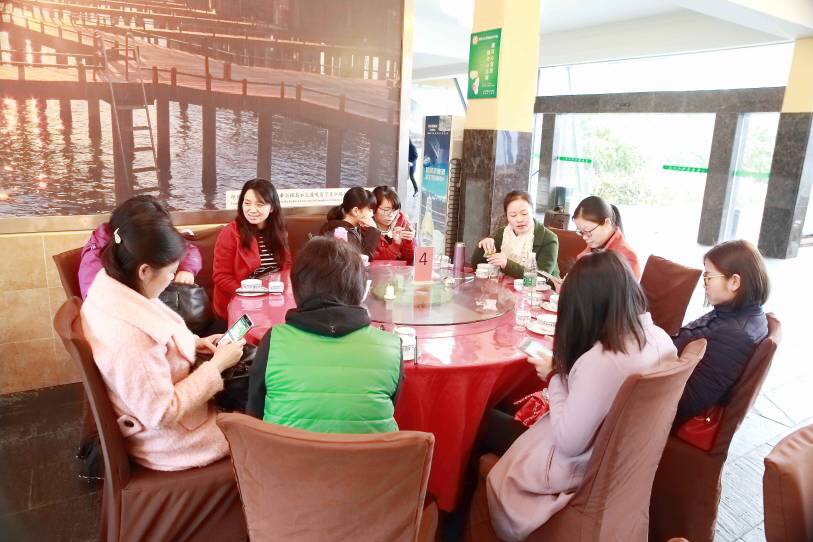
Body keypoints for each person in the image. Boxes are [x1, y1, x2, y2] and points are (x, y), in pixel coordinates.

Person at [484, 251, 677, 541]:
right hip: (625, 464)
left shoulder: (603, 361)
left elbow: (569, 443)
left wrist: (555, 377)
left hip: (578, 471)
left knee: (483, 421)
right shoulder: (662, 340)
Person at [81, 211, 245, 471]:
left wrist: (195, 342)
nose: (172, 279)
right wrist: (216, 366)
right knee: (264, 417)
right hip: (173, 441)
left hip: (171, 421)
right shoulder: (130, 337)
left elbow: (160, 338)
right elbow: (160, 413)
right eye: (171, 272)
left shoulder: (114, 288)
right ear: (145, 270)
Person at [246, 236, 402, 433]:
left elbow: (254, 412)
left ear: (298, 288)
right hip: (369, 453)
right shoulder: (390, 347)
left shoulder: (274, 340)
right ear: (360, 289)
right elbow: (386, 407)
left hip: (285, 452)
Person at [673, 240, 769, 424]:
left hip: (663, 407)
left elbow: (689, 401)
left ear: (734, 281)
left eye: (708, 277)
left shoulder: (735, 335)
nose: (704, 284)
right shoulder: (734, 310)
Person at [78, 195, 202, 299]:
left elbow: (186, 249)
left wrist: (187, 269)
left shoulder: (144, 239)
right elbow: (95, 301)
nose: (172, 276)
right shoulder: (95, 263)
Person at [212, 179, 289, 320]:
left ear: (272, 207)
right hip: (241, 303)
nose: (252, 210)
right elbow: (221, 276)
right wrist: (251, 295)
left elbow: (286, 267)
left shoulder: (279, 231)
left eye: (260, 204)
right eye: (247, 203)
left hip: (274, 301)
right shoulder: (230, 232)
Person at [471, 190, 560, 279]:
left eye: (524, 214)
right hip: (507, 285)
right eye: (513, 215)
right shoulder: (503, 233)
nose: (519, 219)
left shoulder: (548, 238)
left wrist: (507, 264)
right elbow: (476, 266)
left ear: (532, 211)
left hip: (541, 287)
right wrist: (484, 245)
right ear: (507, 216)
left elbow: (541, 277)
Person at [571, 195, 641, 280]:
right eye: (581, 232)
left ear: (607, 223)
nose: (584, 237)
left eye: (587, 231)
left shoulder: (627, 259)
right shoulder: (597, 245)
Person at [319, 187, 380, 260]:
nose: (372, 214)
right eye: (369, 210)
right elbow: (363, 258)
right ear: (355, 211)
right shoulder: (340, 231)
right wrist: (373, 228)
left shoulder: (354, 228)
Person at [371, 185, 415, 264]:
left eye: (394, 210)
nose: (391, 215)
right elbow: (375, 263)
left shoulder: (403, 222)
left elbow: (409, 261)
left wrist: (409, 242)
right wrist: (395, 245)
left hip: (400, 271)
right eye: (386, 210)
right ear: (373, 208)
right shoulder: (366, 228)